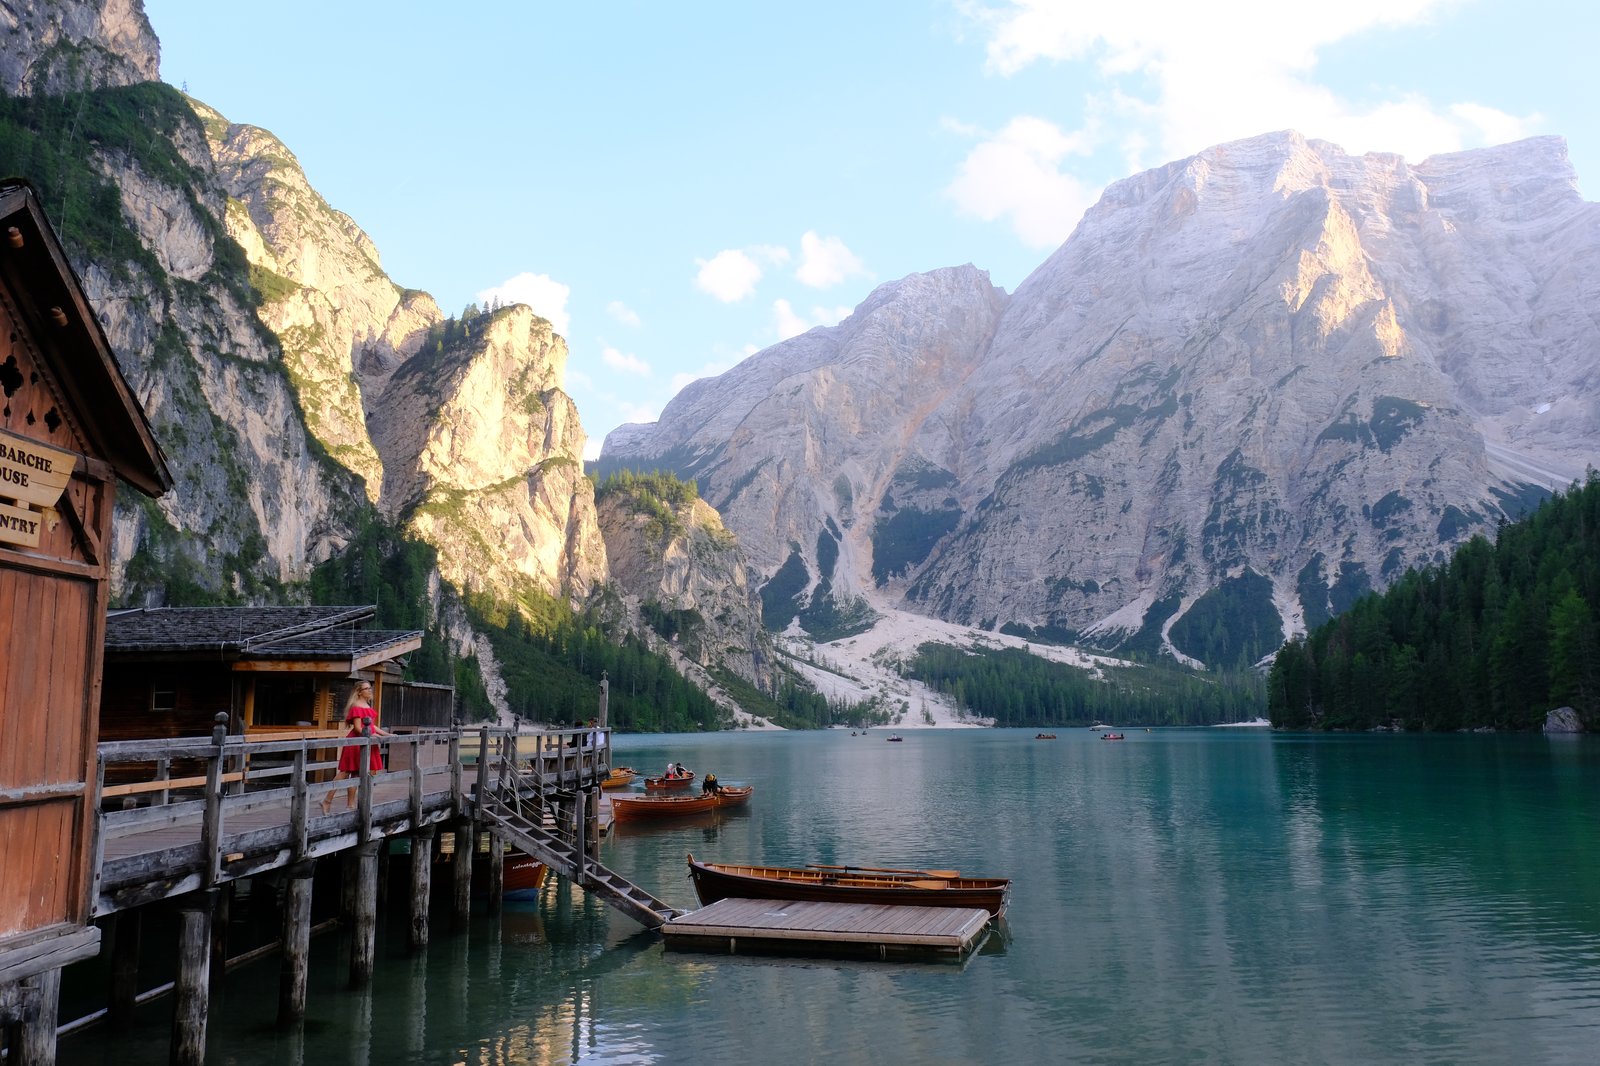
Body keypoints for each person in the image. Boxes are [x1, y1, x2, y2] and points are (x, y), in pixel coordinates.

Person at [322, 681, 391, 814]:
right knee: (345, 772)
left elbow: (372, 726)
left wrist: (386, 734)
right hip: (356, 741)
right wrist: (375, 736)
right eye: (366, 689)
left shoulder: (367, 705)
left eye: (370, 688)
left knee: (356, 774)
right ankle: (327, 800)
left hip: (366, 741)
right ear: (359, 691)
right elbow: (359, 728)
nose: (370, 690)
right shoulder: (356, 706)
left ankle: (350, 805)